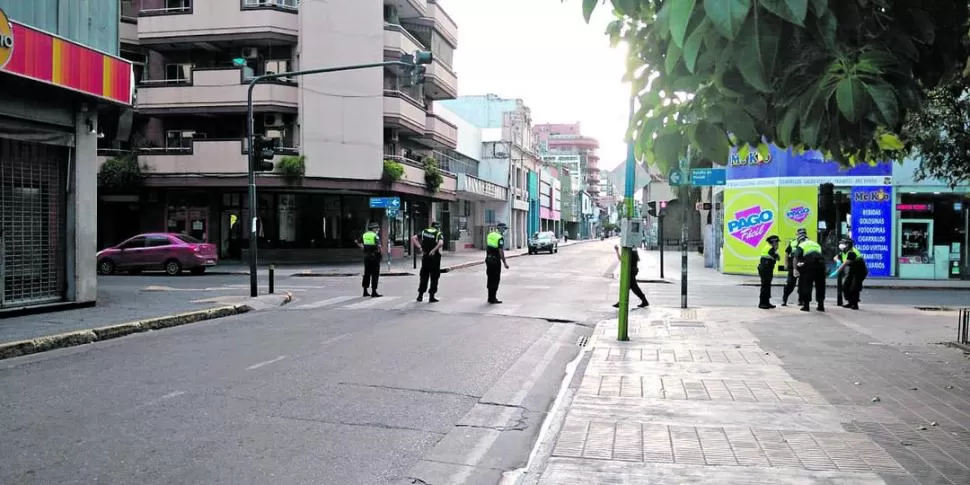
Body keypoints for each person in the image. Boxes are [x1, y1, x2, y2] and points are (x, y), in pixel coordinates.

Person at [411, 220, 444, 302]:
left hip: (425, 256)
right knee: (434, 277)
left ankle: (420, 296)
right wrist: (433, 250)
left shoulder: (424, 232)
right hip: (434, 257)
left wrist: (420, 247)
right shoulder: (438, 233)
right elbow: (440, 243)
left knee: (424, 276)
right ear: (437, 227)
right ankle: (431, 296)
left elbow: (413, 238)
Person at [833, 237, 868, 310]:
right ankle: (850, 302)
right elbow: (835, 257)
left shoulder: (852, 252)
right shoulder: (844, 251)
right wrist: (838, 261)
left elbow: (845, 263)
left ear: (848, 245)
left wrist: (837, 271)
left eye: (843, 243)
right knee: (846, 285)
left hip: (860, 271)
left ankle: (855, 304)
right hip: (852, 270)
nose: (841, 245)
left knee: (854, 287)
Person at [794, 233, 825, 312]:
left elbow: (796, 258)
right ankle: (821, 305)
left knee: (806, 285)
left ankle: (806, 306)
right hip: (821, 265)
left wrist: (795, 269)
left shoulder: (802, 245)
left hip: (809, 266)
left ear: (800, 240)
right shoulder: (816, 244)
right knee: (820, 285)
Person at [355, 222, 383, 298]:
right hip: (375, 257)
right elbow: (379, 246)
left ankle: (365, 291)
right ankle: (374, 291)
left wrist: (362, 247)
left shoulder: (364, 235)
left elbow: (357, 241)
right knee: (375, 274)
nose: (378, 229)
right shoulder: (375, 236)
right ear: (373, 229)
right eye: (377, 228)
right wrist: (381, 253)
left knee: (366, 273)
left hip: (367, 257)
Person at [485, 222, 510, 304]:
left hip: (488, 259)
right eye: (505, 229)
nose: (505, 231)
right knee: (496, 279)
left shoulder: (490, 235)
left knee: (490, 278)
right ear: (501, 229)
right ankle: (493, 298)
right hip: (495, 261)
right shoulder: (500, 238)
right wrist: (505, 263)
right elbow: (500, 251)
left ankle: (490, 297)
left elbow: (488, 247)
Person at [781, 228, 806, 307]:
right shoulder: (792, 242)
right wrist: (785, 264)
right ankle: (784, 299)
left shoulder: (807, 242)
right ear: (797, 234)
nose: (802, 234)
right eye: (800, 233)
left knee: (803, 284)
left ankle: (801, 300)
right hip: (792, 265)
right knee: (790, 283)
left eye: (804, 233)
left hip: (803, 265)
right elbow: (786, 254)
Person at [758, 235, 781, 309]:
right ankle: (762, 303)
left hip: (767, 268)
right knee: (765, 286)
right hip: (766, 269)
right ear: (773, 242)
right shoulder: (770, 248)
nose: (777, 244)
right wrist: (776, 251)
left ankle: (767, 302)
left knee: (767, 286)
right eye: (777, 242)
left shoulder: (769, 247)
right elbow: (777, 257)